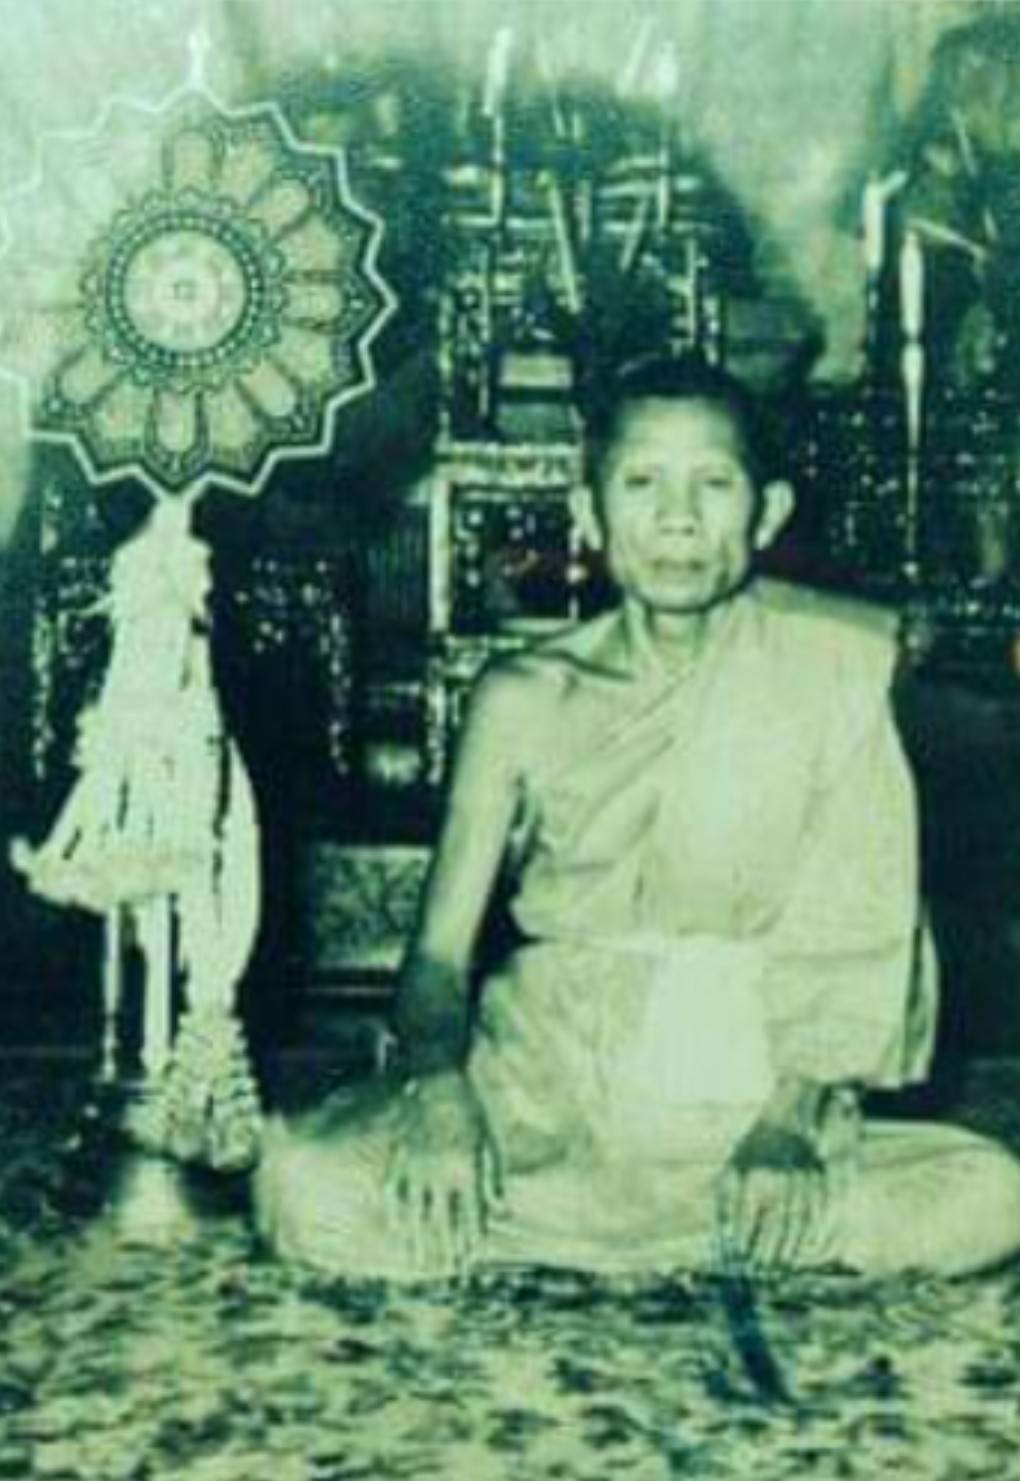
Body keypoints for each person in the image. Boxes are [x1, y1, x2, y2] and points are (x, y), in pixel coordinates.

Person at [255, 356, 1020, 1281]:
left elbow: (856, 938)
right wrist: (439, 1095)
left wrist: (785, 1126)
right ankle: (717, 1237)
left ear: (767, 513)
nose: (678, 518)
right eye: (642, 482)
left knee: (992, 1197)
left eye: (714, 484)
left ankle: (678, 1218)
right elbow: (437, 961)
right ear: (589, 512)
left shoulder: (831, 671)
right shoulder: (523, 695)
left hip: (750, 1082)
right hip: (544, 1079)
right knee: (300, 1184)